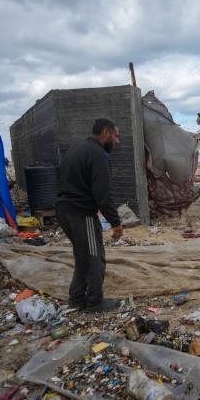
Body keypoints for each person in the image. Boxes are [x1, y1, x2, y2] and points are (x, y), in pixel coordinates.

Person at [55, 118, 123, 312]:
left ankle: (76, 299)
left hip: (64, 210)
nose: (117, 142)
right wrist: (115, 222)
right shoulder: (98, 155)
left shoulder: (77, 149)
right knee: (95, 257)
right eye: (116, 136)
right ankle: (94, 302)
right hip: (81, 213)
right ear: (105, 133)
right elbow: (103, 195)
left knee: (82, 256)